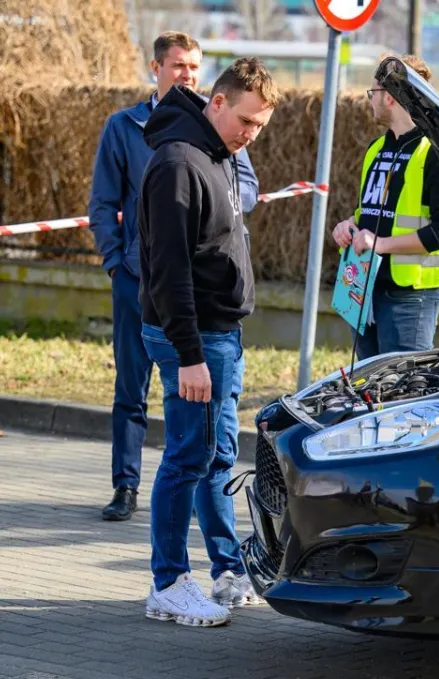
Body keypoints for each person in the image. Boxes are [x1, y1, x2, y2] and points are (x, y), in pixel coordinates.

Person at [89, 31, 259, 522]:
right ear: (156, 68)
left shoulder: (220, 124)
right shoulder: (125, 126)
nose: (187, 75)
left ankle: (211, 540)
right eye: (178, 65)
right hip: (138, 279)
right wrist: (116, 262)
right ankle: (125, 485)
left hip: (194, 289)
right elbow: (102, 202)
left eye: (193, 67)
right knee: (131, 385)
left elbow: (245, 184)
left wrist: (217, 204)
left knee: (198, 421)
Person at [137, 58, 281, 626]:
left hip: (220, 335)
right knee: (185, 459)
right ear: (215, 102)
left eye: (261, 126)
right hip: (192, 341)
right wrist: (190, 357)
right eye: (246, 121)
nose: (252, 134)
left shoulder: (221, 155)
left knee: (217, 455)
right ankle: (168, 582)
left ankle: (226, 568)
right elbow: (167, 273)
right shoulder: (178, 163)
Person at [331, 54, 439, 359]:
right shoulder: (377, 148)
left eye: (373, 93)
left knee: (401, 396)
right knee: (367, 390)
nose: (370, 101)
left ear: (390, 96)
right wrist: (348, 225)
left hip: (410, 298)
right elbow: (371, 210)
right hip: (364, 287)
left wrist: (380, 244)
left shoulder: (435, 152)